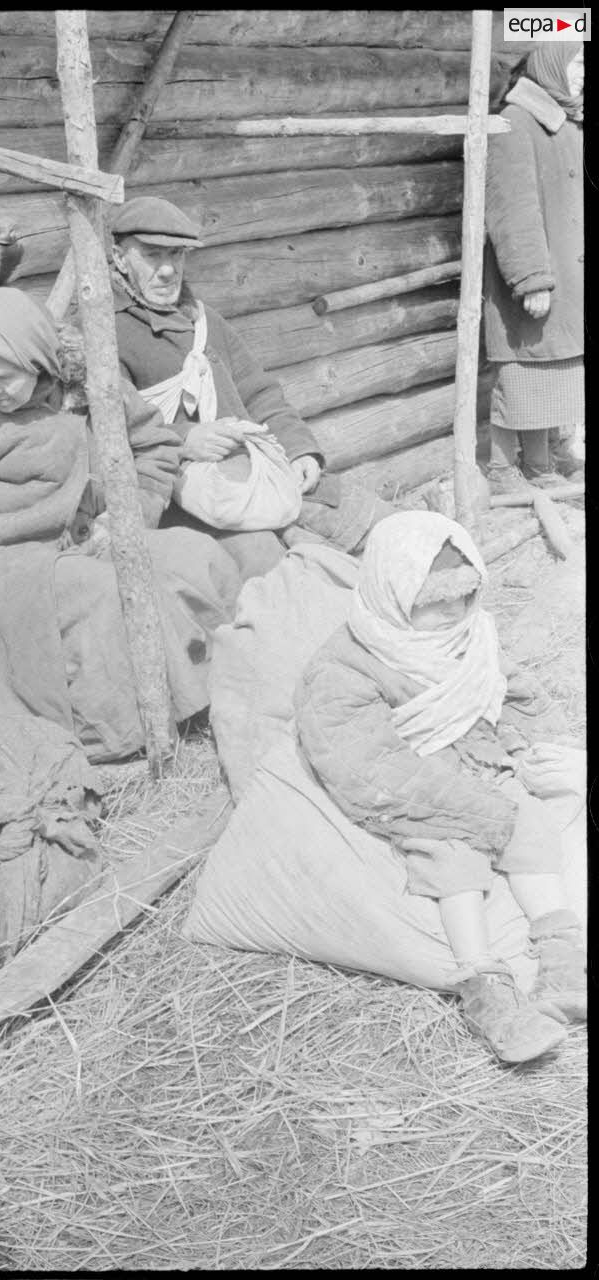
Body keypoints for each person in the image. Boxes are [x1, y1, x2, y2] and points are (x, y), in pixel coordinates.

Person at [0, 288, 242, 762]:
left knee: (194, 555)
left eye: (4, 378)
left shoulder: (91, 387)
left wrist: (129, 518)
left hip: (86, 542)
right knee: (103, 593)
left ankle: (218, 687)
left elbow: (155, 446)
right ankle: (125, 731)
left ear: (38, 363)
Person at [294, 511, 586, 1064]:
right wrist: (476, 810)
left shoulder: (471, 636)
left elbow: (514, 689)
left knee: (533, 828)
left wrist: (544, 742)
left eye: (464, 595)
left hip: (481, 759)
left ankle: (562, 959)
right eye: (433, 600)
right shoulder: (345, 666)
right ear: (393, 594)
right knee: (453, 858)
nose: (452, 611)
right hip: (419, 779)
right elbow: (361, 763)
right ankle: (486, 989)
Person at [109, 196, 403, 574]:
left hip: (260, 472)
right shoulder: (108, 336)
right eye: (152, 256)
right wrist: (184, 439)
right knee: (278, 569)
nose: (168, 270)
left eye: (177, 255)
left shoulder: (204, 321)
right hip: (191, 502)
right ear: (120, 259)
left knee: (382, 524)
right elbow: (107, 436)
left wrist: (299, 450)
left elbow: (259, 392)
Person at [483, 42, 584, 492]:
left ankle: (542, 465)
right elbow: (512, 208)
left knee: (552, 369)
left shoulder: (564, 120)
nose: (583, 73)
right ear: (551, 65)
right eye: (577, 63)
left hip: (563, 269)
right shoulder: (514, 123)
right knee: (522, 371)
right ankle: (503, 470)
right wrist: (530, 278)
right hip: (533, 275)